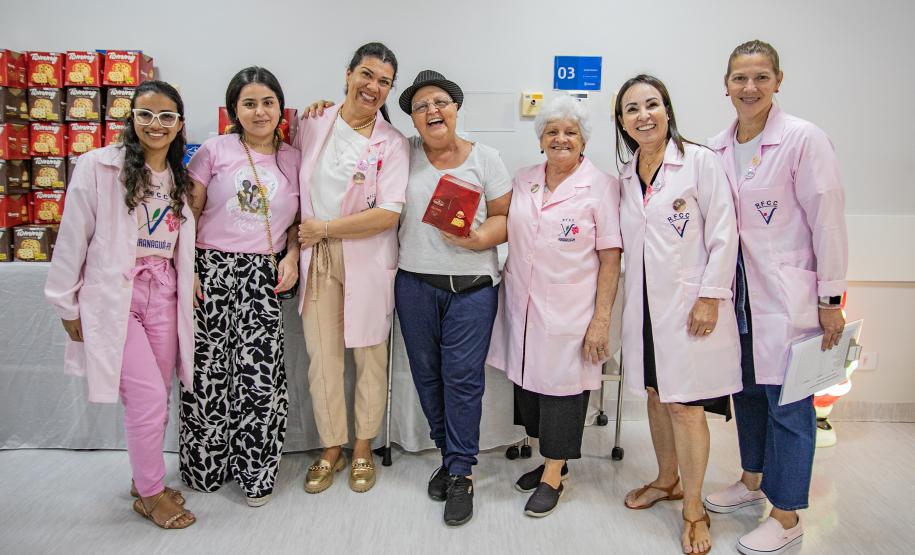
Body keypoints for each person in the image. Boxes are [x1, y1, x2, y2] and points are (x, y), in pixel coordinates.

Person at [302, 68, 512, 526]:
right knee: (427, 379)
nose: (432, 111)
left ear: (456, 108)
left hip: (471, 289)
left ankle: (461, 471)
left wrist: (479, 240)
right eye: (420, 106)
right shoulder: (402, 152)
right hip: (415, 285)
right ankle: (447, 454)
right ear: (412, 120)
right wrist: (322, 108)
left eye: (441, 102)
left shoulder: (486, 159)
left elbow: (504, 217)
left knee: (463, 380)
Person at [704, 40, 848, 555]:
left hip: (789, 299)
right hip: (738, 300)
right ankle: (752, 481)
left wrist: (831, 298)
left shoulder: (803, 140)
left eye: (760, 77)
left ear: (778, 81)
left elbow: (827, 220)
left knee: (789, 405)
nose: (750, 88)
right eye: (740, 78)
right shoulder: (716, 147)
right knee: (746, 397)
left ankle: (786, 515)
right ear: (726, 85)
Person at [45, 80, 197, 528]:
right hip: (117, 295)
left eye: (166, 116)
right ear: (131, 117)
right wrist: (66, 306)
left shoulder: (179, 177)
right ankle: (151, 494)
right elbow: (73, 236)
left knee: (160, 393)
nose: (156, 124)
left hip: (164, 291)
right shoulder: (98, 167)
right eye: (146, 114)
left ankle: (142, 475)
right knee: (147, 395)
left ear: (179, 124)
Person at [615, 74, 741, 555]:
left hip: (690, 306)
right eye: (632, 109)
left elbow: (724, 234)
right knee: (654, 392)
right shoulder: (628, 175)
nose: (643, 115)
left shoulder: (700, 163)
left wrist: (710, 295)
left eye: (652, 104)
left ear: (667, 110)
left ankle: (694, 509)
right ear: (622, 123)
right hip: (645, 307)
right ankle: (667, 479)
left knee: (687, 406)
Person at [486, 95, 622, 518]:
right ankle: (550, 461)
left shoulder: (600, 185)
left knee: (563, 391)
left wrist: (601, 321)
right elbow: (498, 223)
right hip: (522, 306)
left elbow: (611, 257)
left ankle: (554, 472)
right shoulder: (525, 177)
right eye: (552, 131)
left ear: (583, 140)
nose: (561, 139)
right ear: (540, 138)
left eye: (570, 132)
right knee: (529, 386)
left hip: (573, 312)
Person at [179, 67, 301, 507]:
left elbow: (299, 222)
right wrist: (187, 267)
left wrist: (291, 257)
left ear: (280, 108)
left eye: (268, 102)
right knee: (208, 374)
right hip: (210, 270)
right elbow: (187, 214)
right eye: (249, 103)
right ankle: (205, 467)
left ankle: (257, 472)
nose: (260, 111)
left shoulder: (293, 157)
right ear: (235, 110)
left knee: (260, 378)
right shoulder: (213, 150)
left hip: (262, 275)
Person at [294, 42, 409, 494]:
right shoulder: (313, 122)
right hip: (317, 258)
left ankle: (362, 447)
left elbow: (389, 212)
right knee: (322, 358)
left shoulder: (393, 143)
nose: (373, 86)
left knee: (369, 357)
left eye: (384, 81)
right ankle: (330, 449)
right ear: (347, 74)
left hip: (366, 258)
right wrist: (310, 239)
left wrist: (324, 228)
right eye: (367, 74)